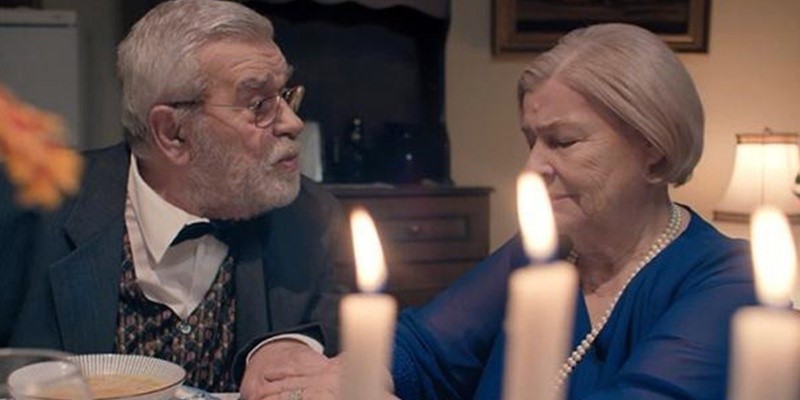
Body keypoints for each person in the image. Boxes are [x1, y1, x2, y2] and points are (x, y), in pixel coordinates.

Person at [390, 23, 758, 399]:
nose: (532, 167)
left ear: (654, 150)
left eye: (563, 141)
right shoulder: (543, 251)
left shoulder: (729, 280)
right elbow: (417, 352)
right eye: (531, 142)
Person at [1, 0, 348, 397]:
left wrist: (294, 345)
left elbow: (341, 330)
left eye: (284, 95)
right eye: (258, 105)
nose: (293, 123)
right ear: (173, 133)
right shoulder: (28, 209)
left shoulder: (312, 216)